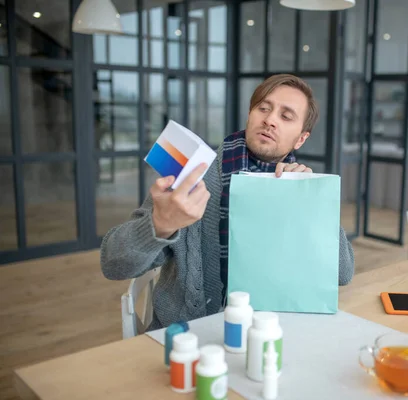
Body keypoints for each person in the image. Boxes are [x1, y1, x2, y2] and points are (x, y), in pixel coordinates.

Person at [100, 74, 355, 331]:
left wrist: (313, 205)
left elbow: (342, 274)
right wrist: (159, 224)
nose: (270, 120)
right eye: (263, 108)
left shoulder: (301, 189)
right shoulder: (192, 172)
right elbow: (113, 264)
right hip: (191, 336)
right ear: (250, 115)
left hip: (269, 331)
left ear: (301, 138)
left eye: (286, 116)